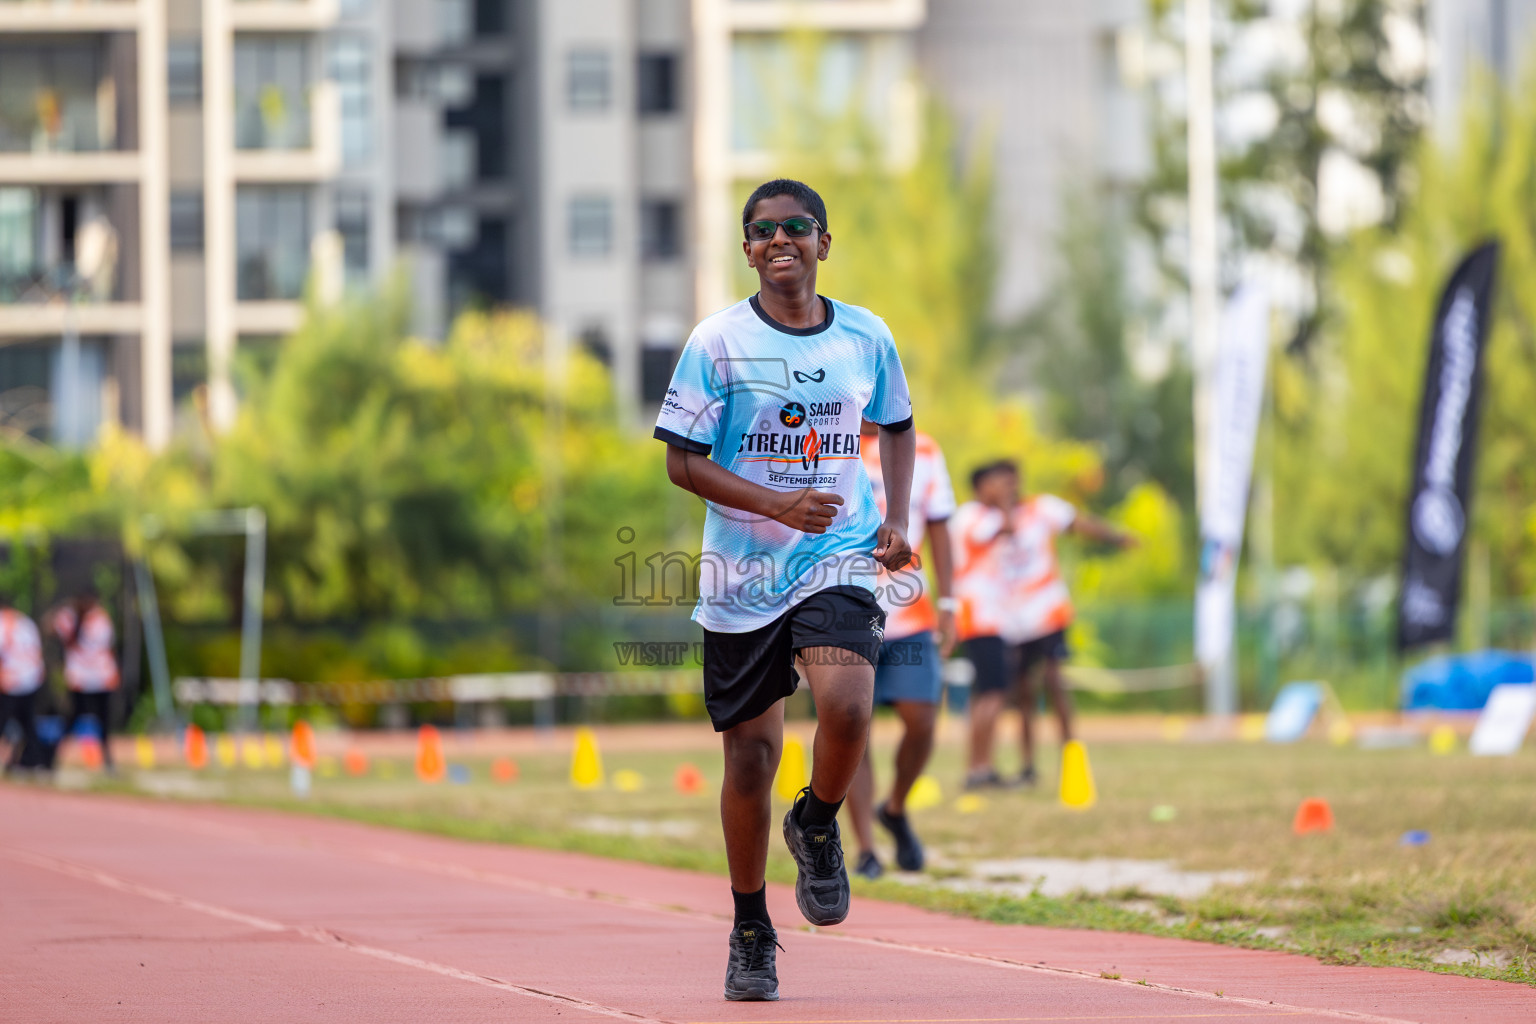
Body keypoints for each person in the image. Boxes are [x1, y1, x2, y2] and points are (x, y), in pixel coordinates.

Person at [655, 178, 915, 1002]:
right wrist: (775, 505)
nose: (781, 239)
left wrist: (897, 519)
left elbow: (900, 426)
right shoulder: (718, 341)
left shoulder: (867, 336)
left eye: (796, 227)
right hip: (742, 573)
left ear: (823, 243)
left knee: (847, 705)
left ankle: (816, 821)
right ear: (747, 249)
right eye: (763, 230)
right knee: (750, 758)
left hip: (837, 552)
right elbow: (680, 461)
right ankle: (750, 928)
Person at [953, 459, 1133, 789]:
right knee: (1014, 692)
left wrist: (1117, 538)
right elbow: (999, 531)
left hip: (1045, 612)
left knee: (1052, 681)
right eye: (1000, 481)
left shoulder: (1040, 508)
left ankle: (1070, 756)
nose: (1009, 486)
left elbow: (1080, 523)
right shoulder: (980, 517)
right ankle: (1015, 766)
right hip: (1004, 618)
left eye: (1012, 480)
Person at [844, 420, 956, 878]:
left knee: (923, 719)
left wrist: (950, 603)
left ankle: (893, 808)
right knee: (850, 728)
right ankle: (867, 848)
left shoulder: (925, 448)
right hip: (841, 609)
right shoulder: (828, 434)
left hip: (911, 614)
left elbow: (942, 528)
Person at [50, 590, 119, 771]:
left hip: (100, 678)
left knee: (103, 721)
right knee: (72, 720)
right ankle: (52, 758)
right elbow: (50, 626)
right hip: (80, 678)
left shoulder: (100, 619)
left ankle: (108, 761)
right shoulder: (69, 618)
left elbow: (107, 648)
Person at [0, 599, 45, 774]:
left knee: (5, 721)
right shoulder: (27, 622)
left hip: (11, 680)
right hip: (31, 679)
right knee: (27, 723)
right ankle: (32, 760)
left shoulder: (3, 622)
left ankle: (24, 759)